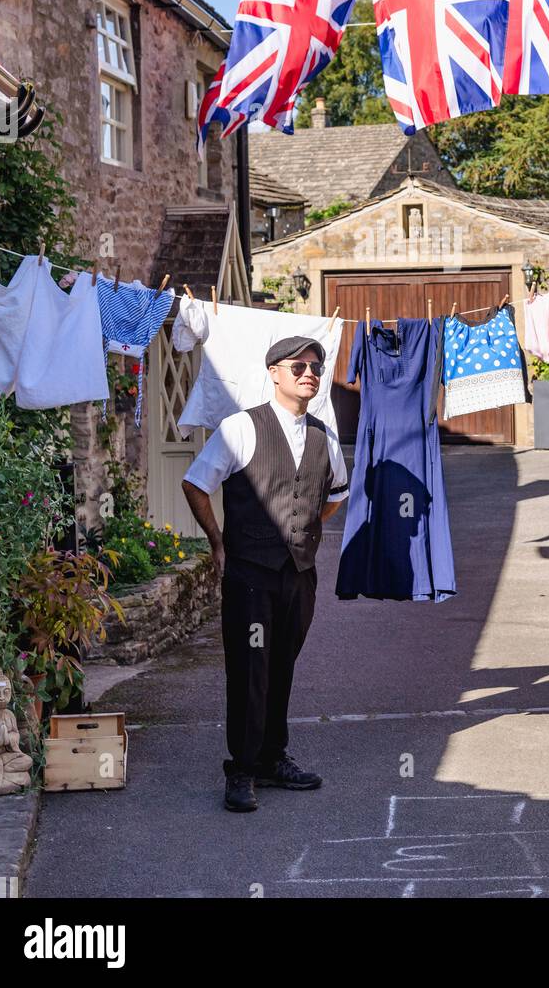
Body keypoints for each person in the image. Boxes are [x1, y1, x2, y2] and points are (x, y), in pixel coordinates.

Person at [181, 335, 348, 813]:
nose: (309, 373)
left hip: (299, 574)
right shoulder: (240, 428)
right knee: (250, 669)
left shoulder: (323, 437)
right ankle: (242, 769)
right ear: (274, 372)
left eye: (316, 366)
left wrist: (306, 531)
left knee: (282, 665)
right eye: (299, 366)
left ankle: (274, 758)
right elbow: (196, 484)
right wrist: (218, 542)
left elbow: (335, 494)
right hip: (250, 575)